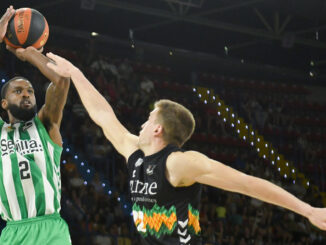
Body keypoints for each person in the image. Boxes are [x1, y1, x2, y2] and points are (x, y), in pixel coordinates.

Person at [46, 53, 326, 244]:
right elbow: (104, 116)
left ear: (158, 130)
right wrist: (75, 73)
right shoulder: (135, 152)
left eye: (147, 120)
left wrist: (307, 210)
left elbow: (247, 184)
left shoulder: (178, 163)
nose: (141, 125)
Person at [0, 6, 71, 245]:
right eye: (18, 91)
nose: (27, 95)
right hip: (13, 232)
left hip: (51, 230)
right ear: (4, 103)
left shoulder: (46, 125)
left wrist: (29, 53)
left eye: (30, 90)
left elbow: (62, 80)